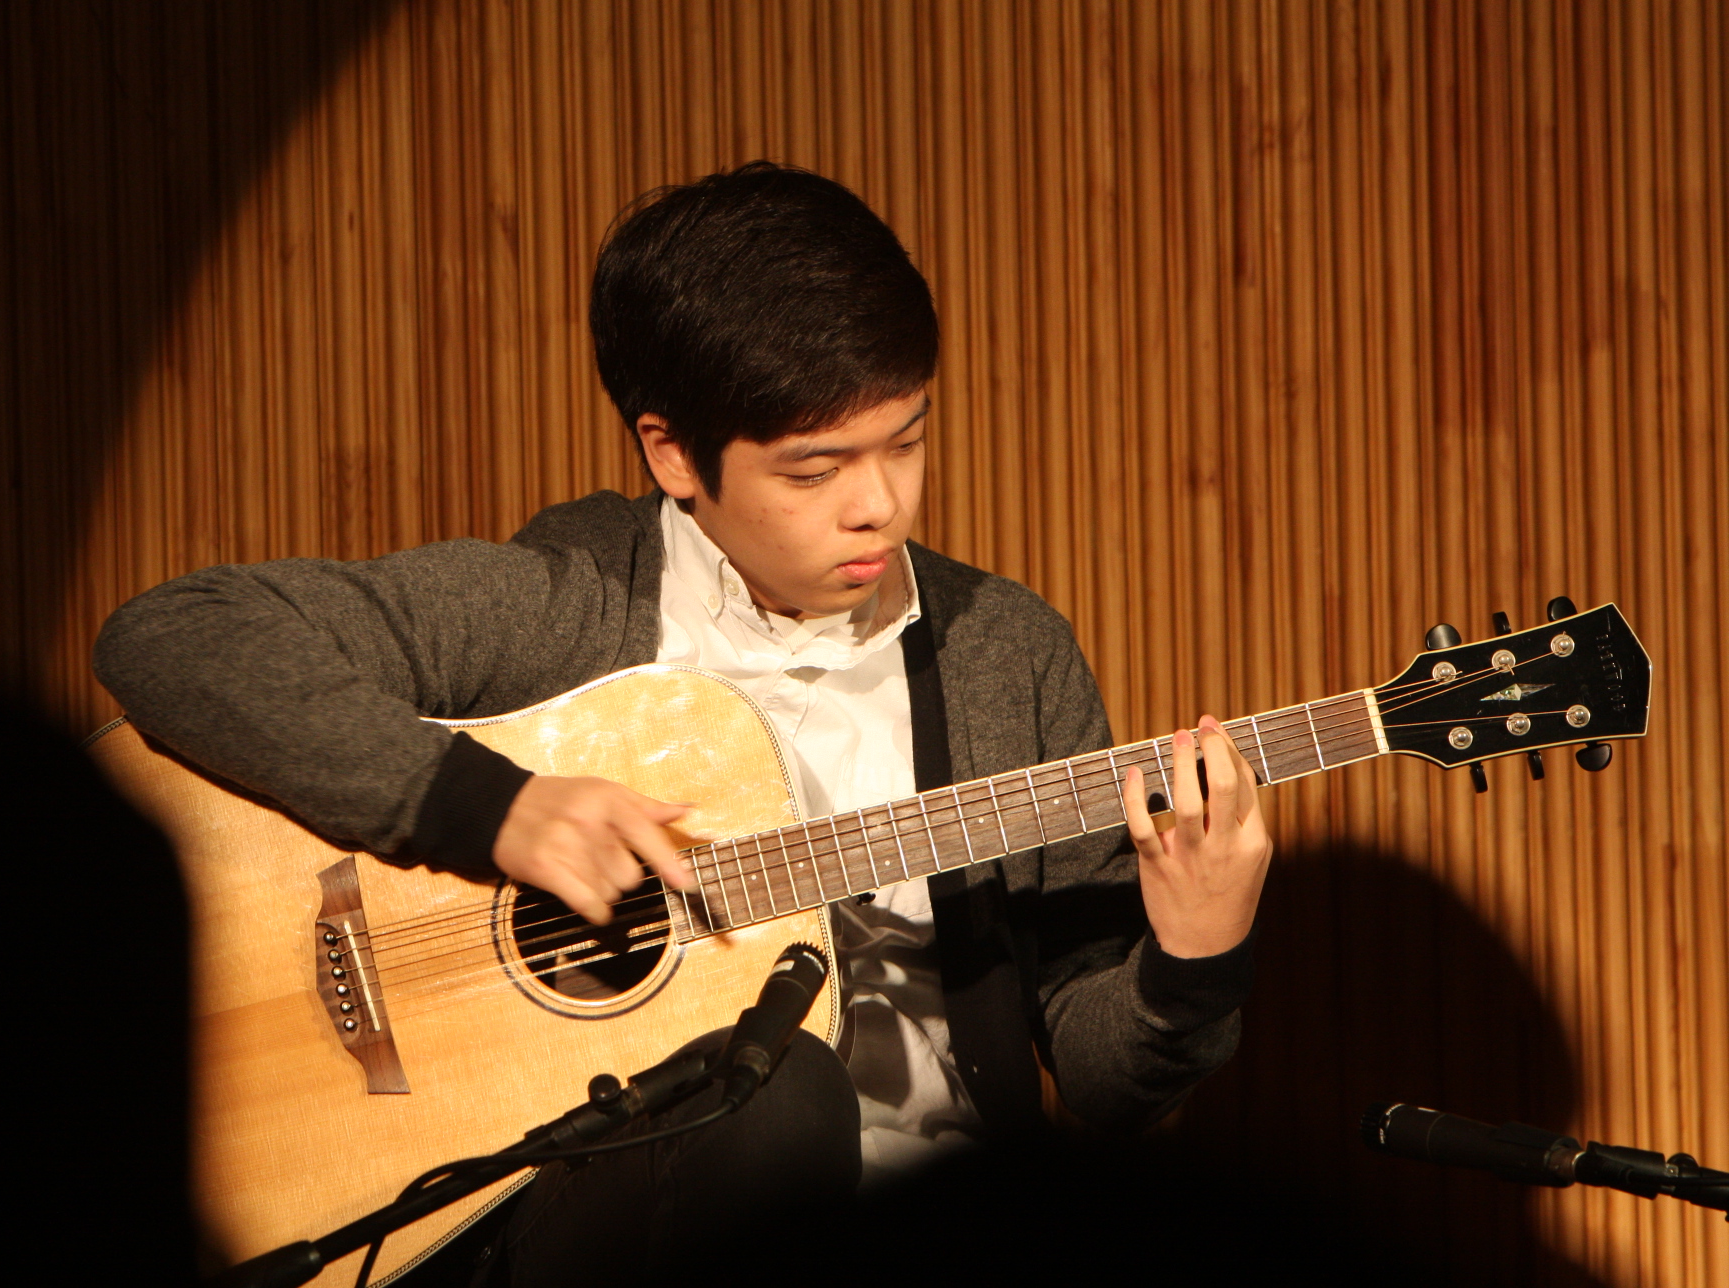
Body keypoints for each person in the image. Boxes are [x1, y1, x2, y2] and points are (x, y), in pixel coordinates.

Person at [94, 161, 1273, 1284]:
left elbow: (1110, 1092)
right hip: (604, 1224)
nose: (880, 502)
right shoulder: (568, 603)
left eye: (907, 441)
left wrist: (1191, 961)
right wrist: (482, 807)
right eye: (814, 470)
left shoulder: (1002, 651)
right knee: (774, 1100)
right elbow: (176, 635)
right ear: (671, 453)